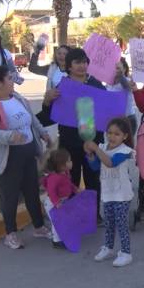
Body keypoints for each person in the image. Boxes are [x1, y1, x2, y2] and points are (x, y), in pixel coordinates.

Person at [0, 65, 53, 249]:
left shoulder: (16, 97)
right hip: (7, 157)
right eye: (9, 78)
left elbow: (31, 119)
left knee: (32, 191)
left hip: (27, 152)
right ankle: (10, 233)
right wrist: (9, 136)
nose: (13, 81)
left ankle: (39, 227)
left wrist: (43, 133)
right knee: (10, 196)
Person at [43, 48, 105, 218]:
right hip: (69, 143)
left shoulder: (96, 85)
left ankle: (93, 215)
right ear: (69, 66)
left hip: (92, 143)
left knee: (93, 179)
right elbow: (49, 117)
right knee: (69, 180)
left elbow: (105, 112)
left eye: (84, 62)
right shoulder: (62, 86)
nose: (82, 66)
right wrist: (47, 100)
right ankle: (72, 215)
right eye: (77, 62)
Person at [85, 118, 136, 267]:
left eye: (117, 134)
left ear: (125, 136)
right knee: (109, 223)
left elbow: (110, 163)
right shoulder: (103, 147)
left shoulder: (125, 151)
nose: (112, 137)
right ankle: (108, 247)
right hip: (107, 193)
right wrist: (90, 154)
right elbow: (95, 166)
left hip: (122, 195)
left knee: (121, 224)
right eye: (109, 133)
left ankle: (126, 253)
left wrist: (96, 149)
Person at [40, 148, 80, 249]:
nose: (71, 162)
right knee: (57, 222)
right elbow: (51, 191)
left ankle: (62, 236)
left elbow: (68, 184)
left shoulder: (65, 173)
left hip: (61, 201)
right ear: (61, 165)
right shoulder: (54, 178)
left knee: (61, 220)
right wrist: (56, 203)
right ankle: (57, 241)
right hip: (52, 204)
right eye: (69, 161)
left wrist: (75, 189)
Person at [107, 58, 138, 134]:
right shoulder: (109, 83)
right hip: (114, 119)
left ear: (124, 69)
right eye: (114, 68)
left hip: (128, 119)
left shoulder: (126, 81)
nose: (115, 70)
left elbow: (128, 87)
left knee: (126, 145)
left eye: (118, 68)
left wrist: (121, 76)